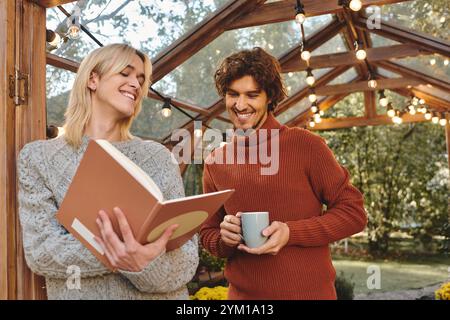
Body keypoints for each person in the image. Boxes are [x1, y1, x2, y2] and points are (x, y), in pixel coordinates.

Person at [17, 44, 198, 300]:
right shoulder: (39, 158)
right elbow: (42, 252)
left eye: (140, 79)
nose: (135, 84)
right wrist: (126, 254)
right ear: (93, 79)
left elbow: (186, 260)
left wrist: (144, 264)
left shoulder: (159, 157)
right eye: (125, 73)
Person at [199, 47, 367, 300]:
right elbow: (208, 234)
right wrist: (225, 238)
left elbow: (354, 213)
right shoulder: (215, 161)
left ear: (269, 97)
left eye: (252, 95)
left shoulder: (305, 145)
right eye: (233, 94)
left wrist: (291, 233)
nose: (240, 104)